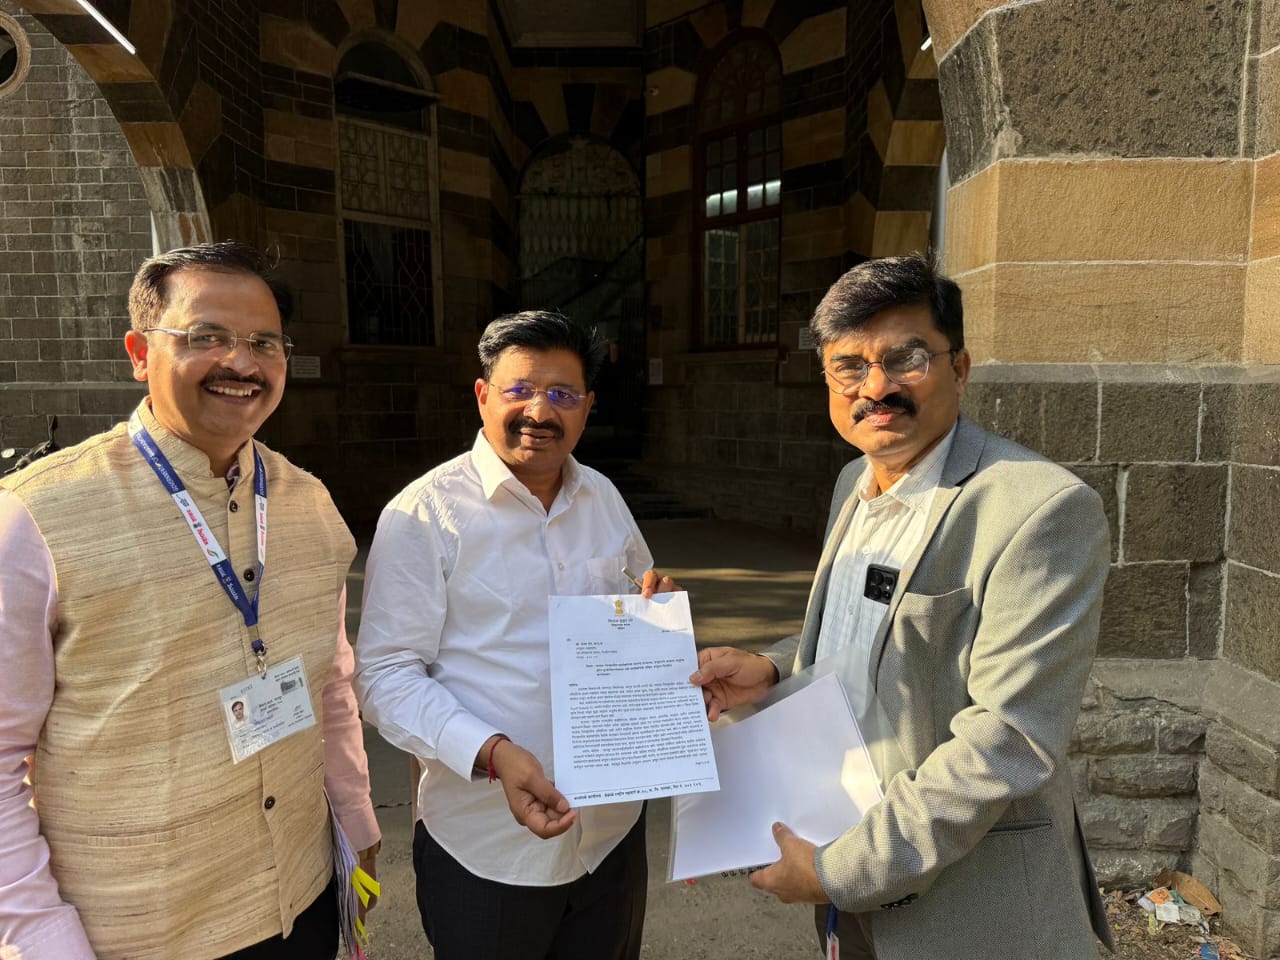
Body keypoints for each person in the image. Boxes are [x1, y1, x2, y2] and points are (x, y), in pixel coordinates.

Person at [690, 255, 1113, 959]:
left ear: (960, 368)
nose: (876, 387)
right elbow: (866, 638)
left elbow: (1009, 737)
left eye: (905, 359)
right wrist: (774, 667)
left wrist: (840, 871)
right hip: (839, 841)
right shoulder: (853, 481)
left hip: (964, 908)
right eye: (849, 366)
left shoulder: (1040, 510)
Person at [0, 242, 380, 960]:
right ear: (140, 353)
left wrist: (356, 823)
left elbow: (330, 685)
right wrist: (42, 938)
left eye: (264, 343)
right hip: (135, 932)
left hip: (299, 898)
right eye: (206, 337)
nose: (240, 362)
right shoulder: (36, 518)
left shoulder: (310, 505)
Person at [354, 310, 675, 960]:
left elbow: (636, 607)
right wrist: (493, 753)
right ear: (482, 395)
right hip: (485, 848)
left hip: (610, 837)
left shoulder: (604, 498)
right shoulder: (425, 512)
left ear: (587, 406)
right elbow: (384, 676)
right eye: (520, 390)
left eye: (562, 394)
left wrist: (656, 619)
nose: (540, 411)